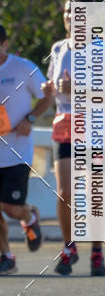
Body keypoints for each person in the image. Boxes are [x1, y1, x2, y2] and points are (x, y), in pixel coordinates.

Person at [44, 0, 105, 276]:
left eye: (75, 13)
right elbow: (56, 87)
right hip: (65, 126)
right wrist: (48, 90)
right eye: (66, 12)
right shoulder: (58, 49)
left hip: (98, 129)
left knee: (93, 195)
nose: (68, 17)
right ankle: (69, 246)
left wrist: (75, 90)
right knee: (65, 192)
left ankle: (97, 252)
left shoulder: (100, 50)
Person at [0, 24, 49, 273]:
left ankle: (29, 217)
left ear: (5, 44)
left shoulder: (22, 67)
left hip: (16, 153)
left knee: (10, 208)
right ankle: (6, 256)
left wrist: (30, 119)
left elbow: (47, 95)